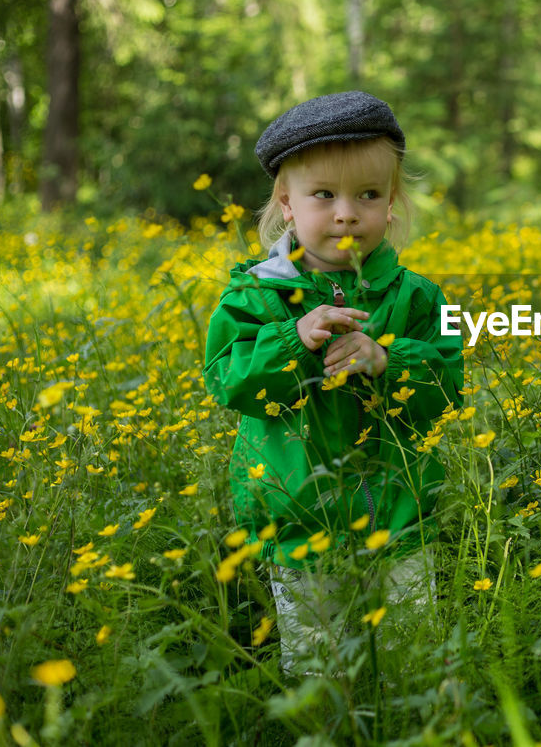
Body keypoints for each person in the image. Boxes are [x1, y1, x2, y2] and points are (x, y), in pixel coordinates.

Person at [202, 91, 464, 677]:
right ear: (286, 204)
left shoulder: (417, 297)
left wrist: (388, 360)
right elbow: (228, 380)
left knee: (410, 658)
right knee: (318, 668)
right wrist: (294, 340)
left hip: (400, 520)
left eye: (367, 195)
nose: (346, 213)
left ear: (391, 204)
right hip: (300, 521)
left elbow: (449, 387)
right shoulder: (256, 296)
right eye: (324, 195)